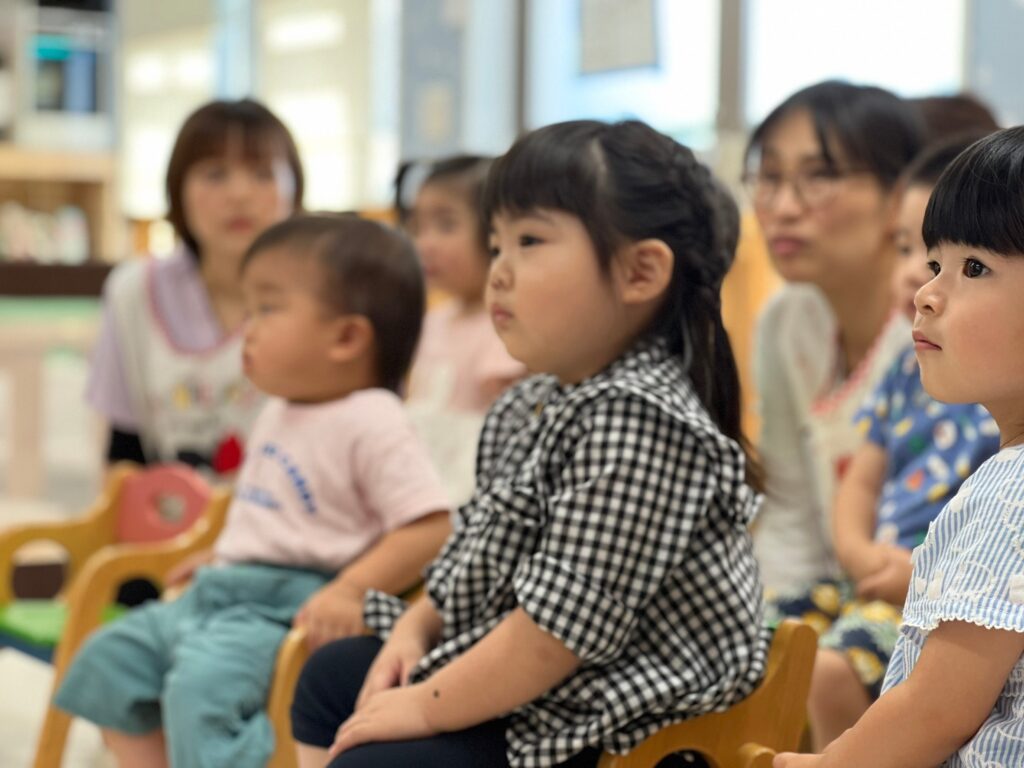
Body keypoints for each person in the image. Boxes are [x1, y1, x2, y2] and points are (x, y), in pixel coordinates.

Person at [289, 119, 768, 768]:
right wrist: (415, 626)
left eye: (530, 241)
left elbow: (556, 634)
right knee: (331, 678)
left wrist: (425, 705)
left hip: (623, 714)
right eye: (496, 245)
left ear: (641, 271)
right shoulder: (533, 400)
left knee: (379, 761)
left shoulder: (644, 419)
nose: (499, 273)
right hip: (548, 679)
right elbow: (475, 555)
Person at [54, 215, 453, 768]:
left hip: (285, 605)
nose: (248, 327)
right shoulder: (280, 409)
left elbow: (431, 526)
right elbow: (269, 511)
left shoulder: (373, 419)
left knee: (201, 694)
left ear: (346, 338)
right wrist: (220, 552)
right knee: (108, 659)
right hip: (222, 588)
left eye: (267, 309)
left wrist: (350, 590)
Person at [774, 124, 1024, 768]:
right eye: (931, 262)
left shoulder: (1012, 491)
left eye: (973, 267)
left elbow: (936, 710)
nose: (925, 292)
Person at [745, 81, 925, 591]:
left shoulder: (935, 323)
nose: (783, 207)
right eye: (769, 177)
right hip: (834, 602)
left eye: (819, 175)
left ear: (899, 196)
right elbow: (790, 513)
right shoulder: (786, 320)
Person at [88, 99, 303, 477]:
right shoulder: (134, 291)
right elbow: (124, 452)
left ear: (295, 189)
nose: (239, 194)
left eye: (262, 173)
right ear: (178, 190)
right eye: (215, 174)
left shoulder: (326, 295)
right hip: (172, 512)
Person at [405, 155, 526, 503]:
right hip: (416, 473)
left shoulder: (506, 326)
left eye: (445, 226)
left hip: (465, 483)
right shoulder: (432, 320)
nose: (425, 244)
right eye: (418, 228)